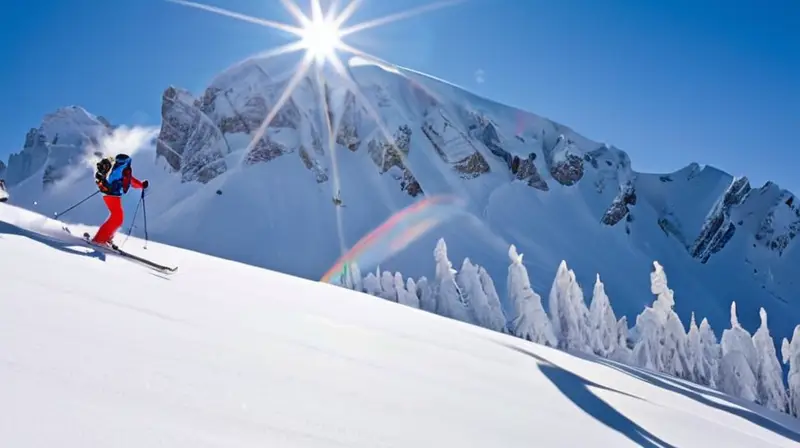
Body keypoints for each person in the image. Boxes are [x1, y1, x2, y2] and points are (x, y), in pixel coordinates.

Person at [91, 153, 149, 247]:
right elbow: (131, 181)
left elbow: (129, 181)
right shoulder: (123, 170)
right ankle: (99, 239)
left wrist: (141, 185)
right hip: (112, 195)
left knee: (117, 217)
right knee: (117, 217)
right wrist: (141, 185)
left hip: (110, 194)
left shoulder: (117, 168)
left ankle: (105, 237)